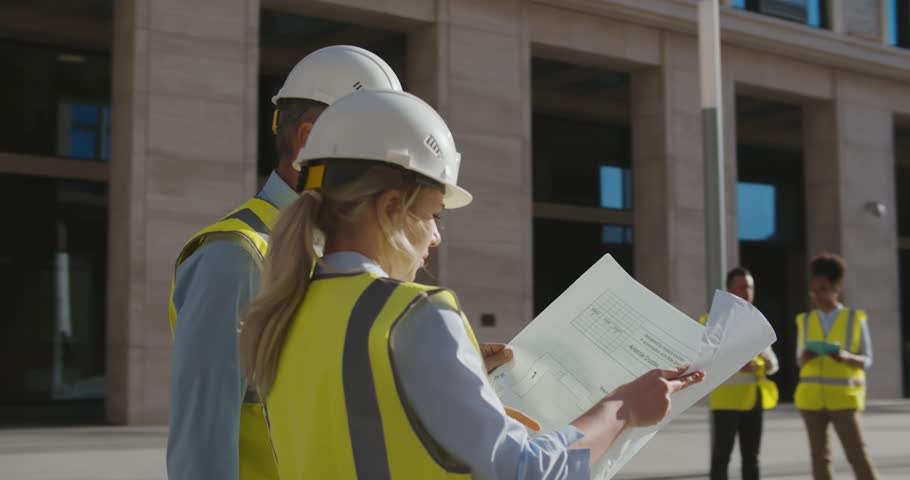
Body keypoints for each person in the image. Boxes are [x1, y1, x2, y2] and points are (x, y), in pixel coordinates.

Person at [238, 89, 705, 479]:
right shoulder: (415, 315)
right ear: (389, 208)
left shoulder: (282, 314)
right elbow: (523, 471)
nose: (436, 237)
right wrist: (622, 408)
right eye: (434, 215)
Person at [165, 46, 403, 480]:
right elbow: (202, 444)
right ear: (309, 140)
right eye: (376, 152)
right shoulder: (235, 256)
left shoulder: (337, 250)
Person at [795, 252, 878, 480]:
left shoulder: (854, 318)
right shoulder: (805, 320)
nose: (817, 295)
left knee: (857, 455)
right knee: (819, 457)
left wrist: (845, 356)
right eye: (814, 290)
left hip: (844, 398)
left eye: (823, 289)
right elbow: (799, 361)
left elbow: (867, 359)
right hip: (811, 399)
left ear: (836, 289)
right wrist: (806, 356)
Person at [698, 267, 779, 480]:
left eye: (750, 287)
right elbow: (703, 358)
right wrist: (737, 363)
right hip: (725, 402)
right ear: (729, 289)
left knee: (752, 458)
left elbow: (773, 363)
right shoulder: (712, 321)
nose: (747, 292)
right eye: (741, 287)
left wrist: (760, 363)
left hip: (753, 400)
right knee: (721, 458)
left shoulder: (756, 322)